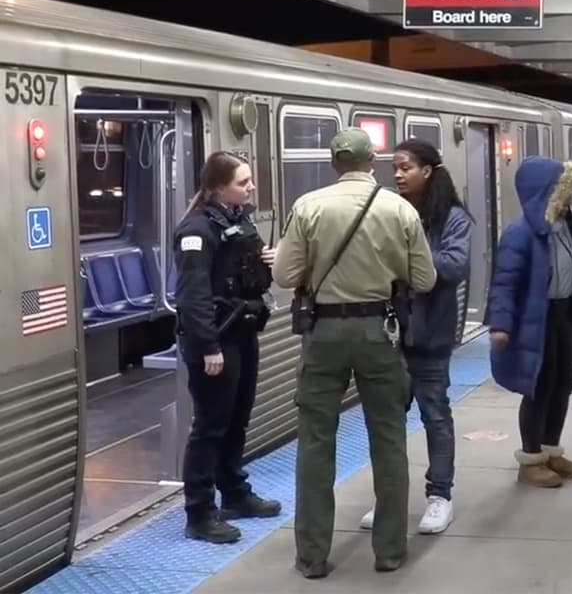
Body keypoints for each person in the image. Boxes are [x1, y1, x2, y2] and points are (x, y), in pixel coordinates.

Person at [272, 128, 437, 578]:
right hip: (379, 330)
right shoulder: (398, 208)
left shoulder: (308, 206)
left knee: (315, 442)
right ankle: (388, 551)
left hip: (323, 333)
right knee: (388, 440)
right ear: (373, 163)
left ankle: (312, 555)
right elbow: (424, 279)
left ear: (333, 164)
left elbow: (286, 276)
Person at [357, 139, 473, 535]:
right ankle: (388, 497)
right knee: (387, 420)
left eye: (405, 167)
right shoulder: (391, 209)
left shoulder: (453, 217)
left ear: (428, 170)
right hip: (388, 335)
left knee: (435, 415)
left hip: (431, 337)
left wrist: (408, 256)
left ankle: (440, 496)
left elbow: (454, 266)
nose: (399, 175)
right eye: (395, 169)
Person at [173, 152, 282, 544]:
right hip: (215, 339)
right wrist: (208, 347)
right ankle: (199, 512)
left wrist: (268, 261)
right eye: (243, 182)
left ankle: (234, 493)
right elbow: (193, 297)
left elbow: (247, 277)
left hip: (242, 333)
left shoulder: (238, 222)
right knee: (210, 426)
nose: (250, 187)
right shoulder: (196, 231)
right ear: (219, 187)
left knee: (237, 419)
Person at [487, 156, 572, 488]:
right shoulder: (519, 234)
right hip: (536, 320)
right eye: (562, 193)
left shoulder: (566, 225)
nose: (569, 200)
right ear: (543, 194)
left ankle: (551, 451)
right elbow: (504, 283)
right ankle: (531, 458)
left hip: (565, 315)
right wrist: (501, 325)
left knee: (564, 383)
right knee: (540, 387)